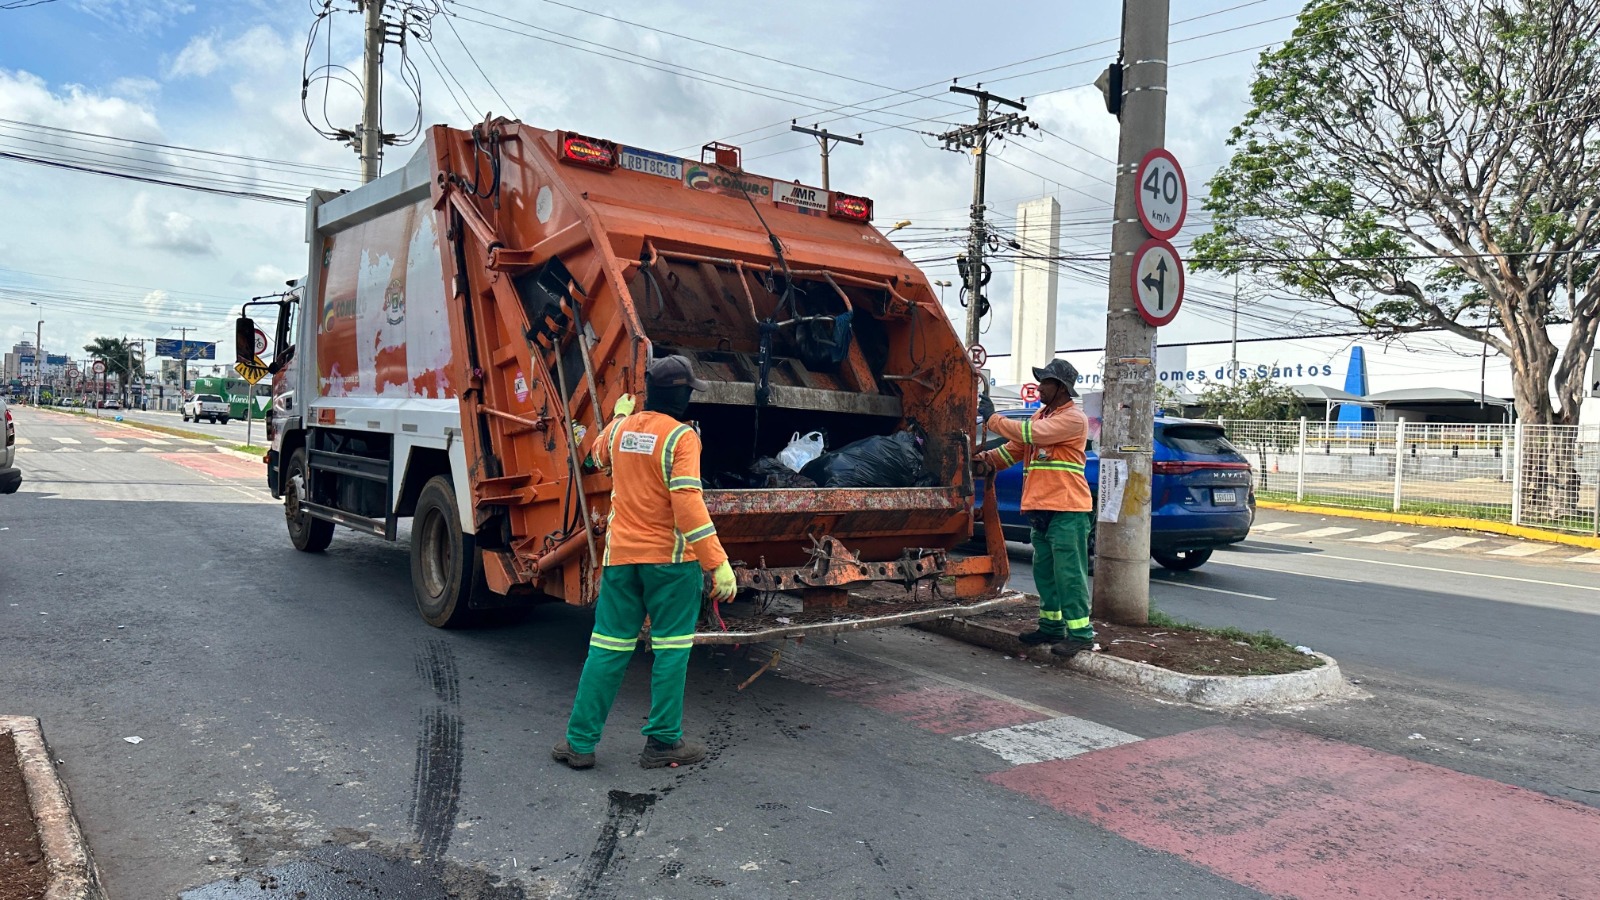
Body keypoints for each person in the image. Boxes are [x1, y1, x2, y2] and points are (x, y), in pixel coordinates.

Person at [552, 355, 738, 770]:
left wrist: (618, 417)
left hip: (620, 560)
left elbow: (594, 458)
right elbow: (687, 503)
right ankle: (662, 743)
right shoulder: (682, 438)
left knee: (606, 648)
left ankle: (578, 744)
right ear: (682, 396)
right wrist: (717, 563)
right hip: (670, 566)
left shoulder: (619, 430)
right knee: (671, 650)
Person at [974, 359, 1095, 657]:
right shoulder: (1044, 415)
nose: (1039, 387)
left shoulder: (1073, 419)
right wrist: (984, 460)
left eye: (1045, 382)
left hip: (1067, 510)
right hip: (1042, 511)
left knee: (1069, 574)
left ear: (1061, 388)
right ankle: (1051, 626)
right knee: (1046, 573)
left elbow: (1029, 435)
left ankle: (1080, 633)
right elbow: (1014, 449)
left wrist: (992, 419)